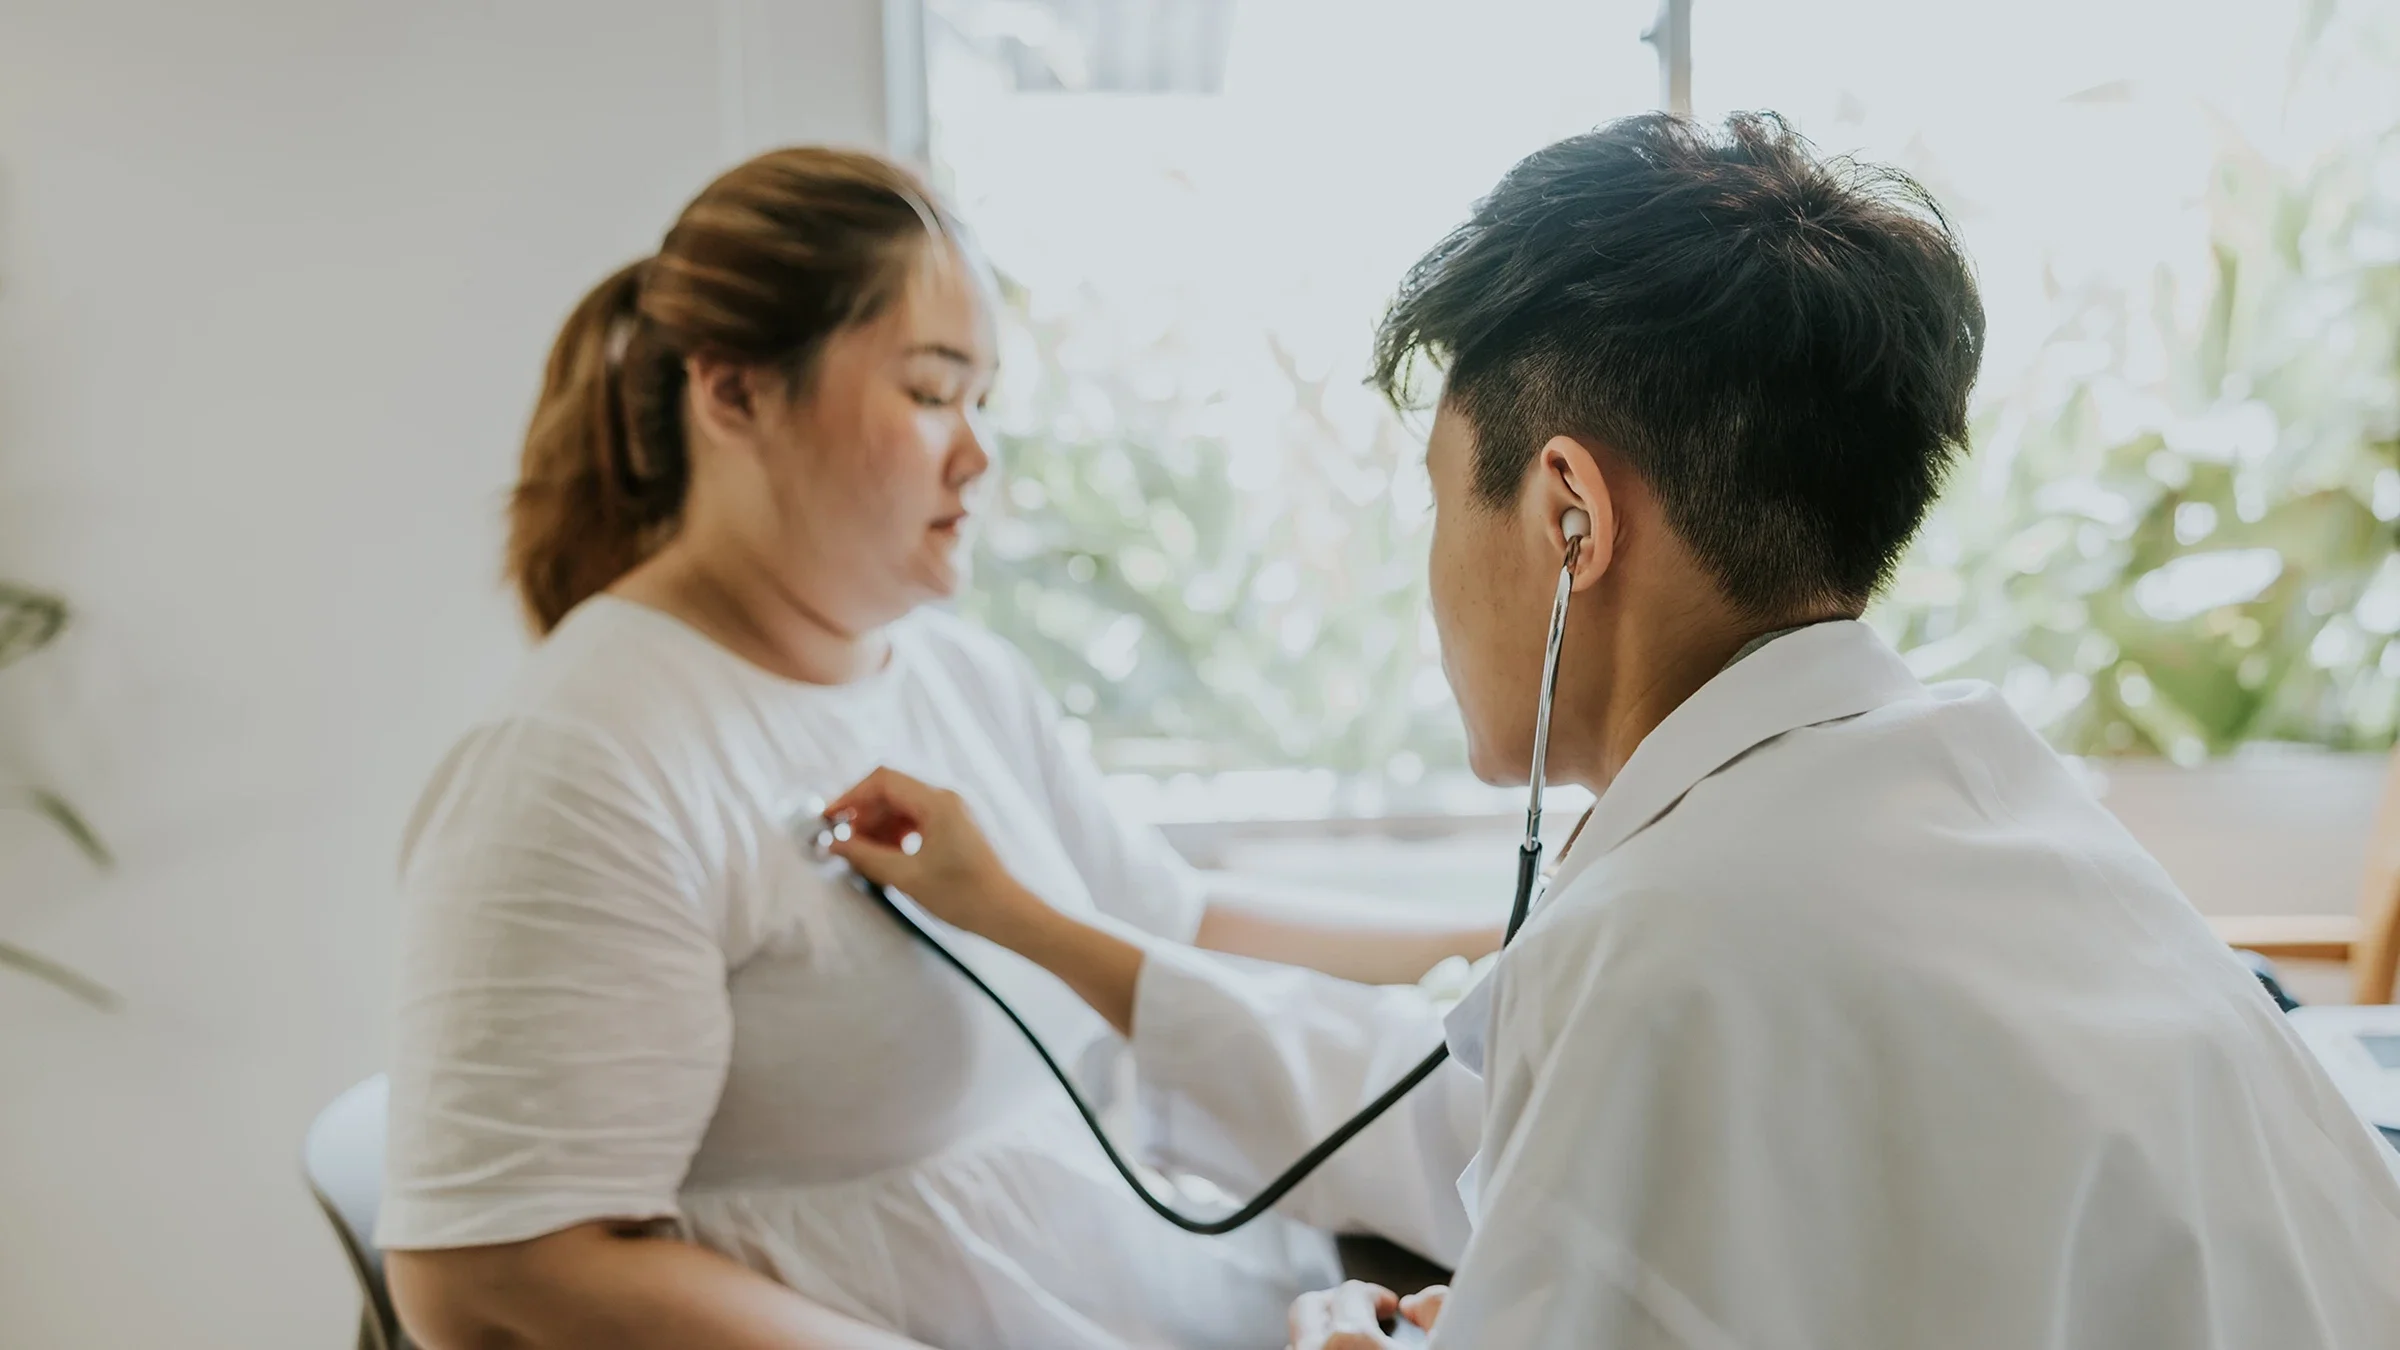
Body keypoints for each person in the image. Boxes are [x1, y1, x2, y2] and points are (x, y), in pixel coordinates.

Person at [825, 113, 2400, 1349]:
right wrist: (1028, 919)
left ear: (1568, 513)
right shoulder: (1983, 802)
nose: (1434, 569)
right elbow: (1454, 1106)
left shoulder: (1680, 935)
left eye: (1440, 501)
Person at [377, 146, 1503, 1350]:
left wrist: (1505, 952)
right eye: (929, 393)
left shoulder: (956, 675)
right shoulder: (583, 762)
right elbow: (489, 1276)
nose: (978, 454)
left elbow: (1167, 918)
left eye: (984, 402)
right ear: (735, 395)